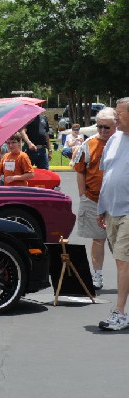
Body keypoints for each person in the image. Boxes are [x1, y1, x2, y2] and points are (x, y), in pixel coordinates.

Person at [72, 108, 116, 290]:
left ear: (116, 125)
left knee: (120, 241)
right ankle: (96, 275)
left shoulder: (122, 142)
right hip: (93, 199)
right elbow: (80, 171)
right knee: (98, 239)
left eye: (107, 127)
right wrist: (82, 195)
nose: (103, 131)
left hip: (118, 201)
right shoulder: (89, 144)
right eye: (99, 127)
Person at [96, 97, 129, 331]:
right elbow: (106, 176)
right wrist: (101, 208)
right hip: (111, 212)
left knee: (122, 262)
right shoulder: (114, 139)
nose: (115, 116)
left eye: (120, 113)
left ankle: (119, 312)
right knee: (123, 263)